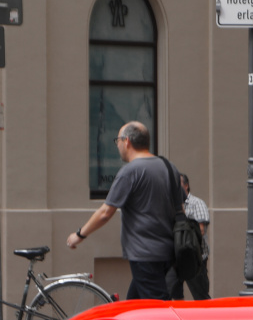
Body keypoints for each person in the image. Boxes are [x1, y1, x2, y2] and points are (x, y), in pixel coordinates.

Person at [67, 121, 176, 300]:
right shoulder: (169, 168)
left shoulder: (130, 172)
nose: (117, 145)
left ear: (127, 141)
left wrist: (79, 235)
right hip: (168, 252)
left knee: (157, 308)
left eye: (117, 140)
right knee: (133, 304)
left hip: (144, 253)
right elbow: (179, 206)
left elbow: (105, 213)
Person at [166, 172, 211, 301]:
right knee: (173, 294)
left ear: (186, 186)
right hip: (175, 258)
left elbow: (201, 231)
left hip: (194, 257)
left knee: (200, 296)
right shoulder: (170, 204)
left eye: (178, 185)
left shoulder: (197, 203)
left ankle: (206, 319)